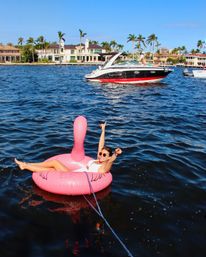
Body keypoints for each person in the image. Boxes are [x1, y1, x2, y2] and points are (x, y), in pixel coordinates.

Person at [15, 122, 122, 174]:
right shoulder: (97, 161)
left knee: (55, 163)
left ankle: (27, 164)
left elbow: (111, 161)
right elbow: (100, 145)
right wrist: (103, 130)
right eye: (100, 153)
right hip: (74, 172)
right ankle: (26, 165)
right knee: (51, 169)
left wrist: (115, 154)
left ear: (108, 157)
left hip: (74, 177)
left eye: (104, 155)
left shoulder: (104, 168)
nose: (100, 155)